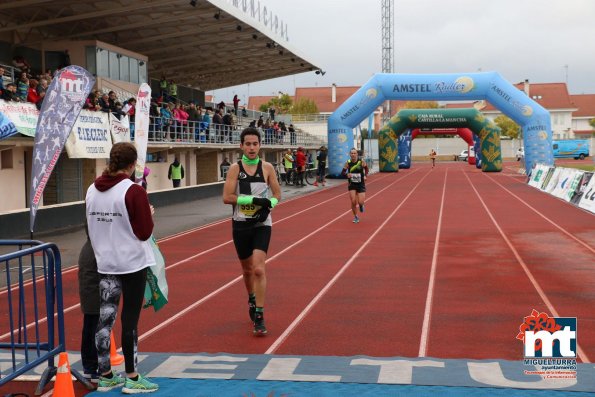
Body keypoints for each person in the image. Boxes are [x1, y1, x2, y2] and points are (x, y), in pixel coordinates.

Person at [85, 142, 158, 393]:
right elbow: (144, 232)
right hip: (132, 263)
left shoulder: (91, 190)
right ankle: (133, 377)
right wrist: (148, 213)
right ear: (131, 165)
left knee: (105, 319)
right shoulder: (133, 191)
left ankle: (105, 374)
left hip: (106, 262)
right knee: (130, 321)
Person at [222, 127, 281, 336]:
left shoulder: (267, 168)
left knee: (258, 269)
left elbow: (277, 194)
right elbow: (227, 197)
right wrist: (254, 200)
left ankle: (260, 315)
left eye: (255, 144)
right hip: (241, 225)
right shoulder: (234, 169)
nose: (252, 147)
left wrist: (269, 204)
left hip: (262, 224)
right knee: (247, 271)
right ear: (241, 146)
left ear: (260, 145)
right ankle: (252, 298)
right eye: (248, 144)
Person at [77, 231, 101, 384]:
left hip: (93, 275)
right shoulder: (94, 245)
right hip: (92, 279)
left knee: (94, 322)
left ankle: (92, 366)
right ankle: (91, 367)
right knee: (93, 321)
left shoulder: (95, 244)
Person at [341, 148, 369, 224]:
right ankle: (356, 217)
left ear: (357, 154)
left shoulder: (361, 162)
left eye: (354, 153)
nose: (353, 154)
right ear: (350, 154)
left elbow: (366, 169)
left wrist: (365, 176)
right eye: (352, 153)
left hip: (360, 183)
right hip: (352, 184)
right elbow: (342, 173)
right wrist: (347, 174)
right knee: (353, 201)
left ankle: (361, 205)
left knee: (360, 202)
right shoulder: (348, 163)